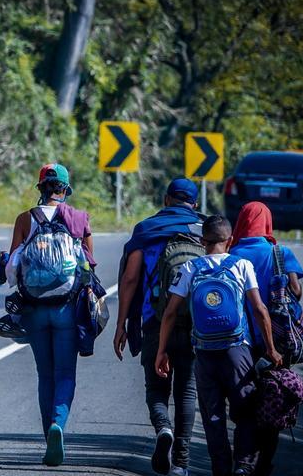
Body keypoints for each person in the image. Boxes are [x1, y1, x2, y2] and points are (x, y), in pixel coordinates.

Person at [155, 215, 283, 476]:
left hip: (204, 353)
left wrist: (161, 351)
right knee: (245, 411)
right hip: (238, 351)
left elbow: (169, 312)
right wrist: (270, 348)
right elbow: (259, 309)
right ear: (231, 241)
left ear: (203, 241)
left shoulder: (191, 268)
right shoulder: (242, 265)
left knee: (213, 418)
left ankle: (221, 470)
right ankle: (244, 467)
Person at [113, 178, 205, 476]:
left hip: (155, 318)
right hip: (195, 322)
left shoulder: (147, 230)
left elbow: (129, 279)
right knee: (187, 392)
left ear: (166, 200)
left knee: (156, 389)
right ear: (194, 203)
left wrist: (122, 324)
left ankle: (163, 427)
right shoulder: (204, 230)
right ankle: (181, 462)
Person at [7, 163, 95, 466]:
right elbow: (88, 269)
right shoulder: (79, 219)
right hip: (66, 309)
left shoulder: (24, 219)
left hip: (34, 310)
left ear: (41, 187)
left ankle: (49, 437)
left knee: (45, 374)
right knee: (65, 374)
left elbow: (12, 267)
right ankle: (59, 423)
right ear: (65, 190)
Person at [229, 202, 303, 476]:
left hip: (240, 344)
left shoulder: (231, 253)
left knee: (245, 404)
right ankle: (264, 466)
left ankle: (242, 464)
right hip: (276, 343)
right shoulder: (280, 253)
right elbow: (295, 290)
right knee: (273, 401)